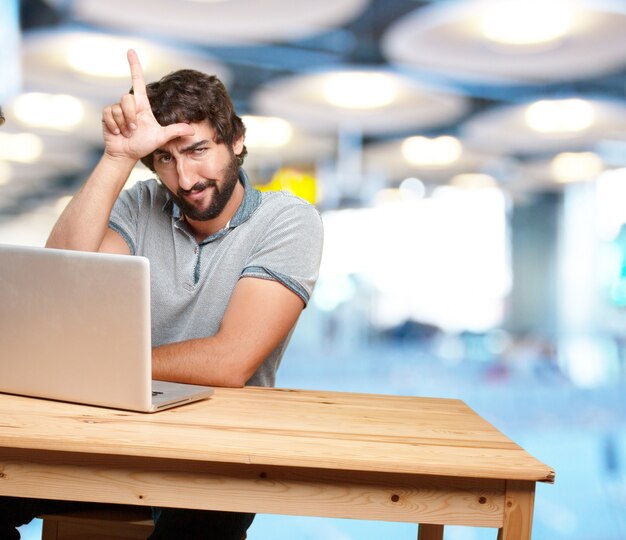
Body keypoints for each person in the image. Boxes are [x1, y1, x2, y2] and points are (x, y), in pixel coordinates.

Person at [0, 50, 323, 539]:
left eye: (196, 150)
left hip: (219, 449)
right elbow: (62, 275)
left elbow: (230, 361)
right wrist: (117, 156)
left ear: (236, 141)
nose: (185, 180)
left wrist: (101, 364)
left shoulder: (287, 219)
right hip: (115, 432)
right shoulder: (141, 202)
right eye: (165, 160)